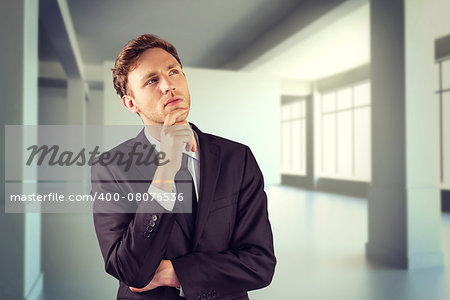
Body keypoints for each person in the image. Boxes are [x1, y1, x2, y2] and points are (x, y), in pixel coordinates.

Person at [91, 34, 276, 300]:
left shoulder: (238, 157)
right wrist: (165, 171)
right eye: (152, 80)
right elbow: (128, 270)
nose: (168, 85)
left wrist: (176, 273)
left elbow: (260, 264)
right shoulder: (109, 168)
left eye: (174, 72)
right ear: (131, 103)